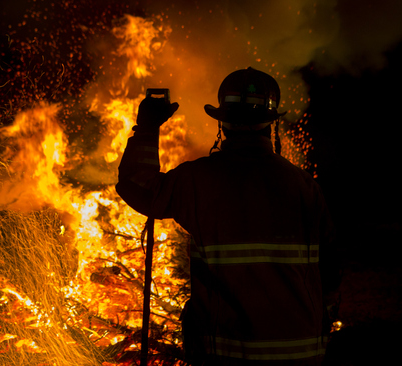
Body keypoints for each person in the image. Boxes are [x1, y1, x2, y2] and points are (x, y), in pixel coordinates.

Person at [116, 67, 331, 365]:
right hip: (301, 352)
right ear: (271, 123)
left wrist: (148, 127)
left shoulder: (199, 179)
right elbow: (330, 270)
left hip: (229, 353)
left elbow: (138, 185)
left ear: (222, 121)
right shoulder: (305, 186)